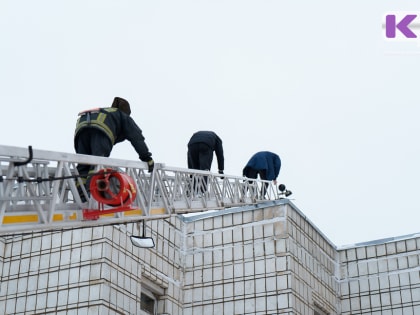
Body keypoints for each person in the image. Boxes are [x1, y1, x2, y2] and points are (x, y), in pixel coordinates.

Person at [74, 97, 154, 201]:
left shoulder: (106, 112)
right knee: (97, 165)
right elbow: (136, 137)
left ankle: (81, 196)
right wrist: (147, 158)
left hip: (81, 131)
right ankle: (91, 198)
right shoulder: (123, 116)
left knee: (83, 166)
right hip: (100, 131)